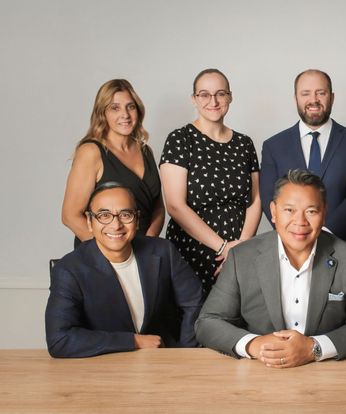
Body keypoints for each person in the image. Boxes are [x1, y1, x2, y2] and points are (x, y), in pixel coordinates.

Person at [195, 169, 346, 368]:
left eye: (311, 211)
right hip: (258, 373)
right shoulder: (242, 257)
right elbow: (208, 322)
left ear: (324, 214)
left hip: (326, 375)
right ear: (273, 212)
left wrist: (314, 348)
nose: (300, 222)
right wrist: (254, 345)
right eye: (289, 210)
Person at [46, 182, 204, 358]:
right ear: (90, 222)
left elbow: (194, 302)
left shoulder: (164, 251)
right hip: (103, 368)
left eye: (125, 214)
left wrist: (186, 353)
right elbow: (59, 339)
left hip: (163, 363)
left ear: (136, 220)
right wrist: (134, 341)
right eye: (104, 215)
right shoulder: (69, 270)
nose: (116, 225)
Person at [160, 69, 261, 296]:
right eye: (204, 94)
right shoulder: (180, 139)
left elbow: (255, 200)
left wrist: (240, 248)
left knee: (238, 323)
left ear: (230, 97)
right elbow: (175, 206)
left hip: (240, 250)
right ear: (194, 99)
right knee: (194, 322)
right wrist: (223, 247)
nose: (213, 101)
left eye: (220, 94)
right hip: (193, 251)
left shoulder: (245, 143)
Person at [260, 69, 346, 247]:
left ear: (332, 97)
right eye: (305, 93)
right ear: (295, 98)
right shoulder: (273, 146)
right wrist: (298, 233)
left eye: (321, 93)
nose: (313, 100)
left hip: (341, 249)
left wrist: (323, 234)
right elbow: (269, 199)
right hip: (289, 248)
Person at [62, 79, 164, 245]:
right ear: (103, 113)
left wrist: (148, 245)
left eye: (130, 107)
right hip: (103, 253)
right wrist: (111, 253)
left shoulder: (146, 151)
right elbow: (70, 216)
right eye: (115, 108)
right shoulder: (91, 152)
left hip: (142, 254)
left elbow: (158, 208)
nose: (125, 114)